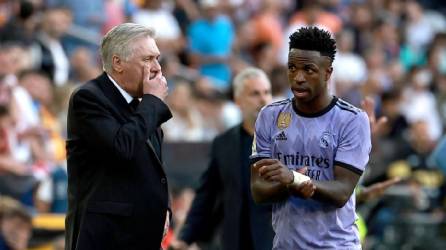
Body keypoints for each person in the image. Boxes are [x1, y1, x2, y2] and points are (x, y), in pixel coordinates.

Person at [250, 27, 372, 249]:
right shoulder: (269, 116)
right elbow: (258, 190)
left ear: (328, 72)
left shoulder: (352, 120)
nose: (298, 78)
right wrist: (291, 184)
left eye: (309, 70)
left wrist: (294, 179)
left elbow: (342, 192)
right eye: (292, 68)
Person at [65, 23, 171, 250]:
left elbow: (153, 168)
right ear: (117, 63)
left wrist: (164, 209)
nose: (157, 68)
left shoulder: (142, 105)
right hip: (105, 238)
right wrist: (153, 102)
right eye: (147, 59)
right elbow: (122, 148)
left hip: (141, 235)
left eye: (157, 58)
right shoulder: (88, 98)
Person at [173, 67, 274, 250]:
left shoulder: (286, 141)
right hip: (235, 240)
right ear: (238, 100)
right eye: (255, 93)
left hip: (275, 240)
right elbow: (207, 195)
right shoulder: (224, 143)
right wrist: (186, 237)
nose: (263, 99)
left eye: (267, 92)